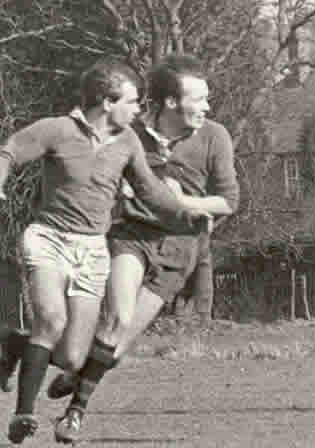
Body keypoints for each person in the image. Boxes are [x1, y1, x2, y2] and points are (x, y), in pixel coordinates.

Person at [0, 57, 209, 444]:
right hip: (49, 239)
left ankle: (12, 343)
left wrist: (187, 214)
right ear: (107, 102)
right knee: (51, 319)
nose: (138, 110)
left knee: (71, 358)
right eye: (132, 102)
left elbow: (150, 190)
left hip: (92, 249)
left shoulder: (128, 142)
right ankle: (23, 415)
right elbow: (9, 152)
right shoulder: (58, 129)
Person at [49, 53, 239, 444]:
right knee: (117, 318)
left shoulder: (215, 137)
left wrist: (183, 202)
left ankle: (80, 369)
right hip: (132, 236)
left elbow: (228, 201)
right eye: (199, 99)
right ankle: (75, 414)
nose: (207, 107)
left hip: (180, 249)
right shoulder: (130, 131)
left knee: (116, 348)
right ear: (171, 102)